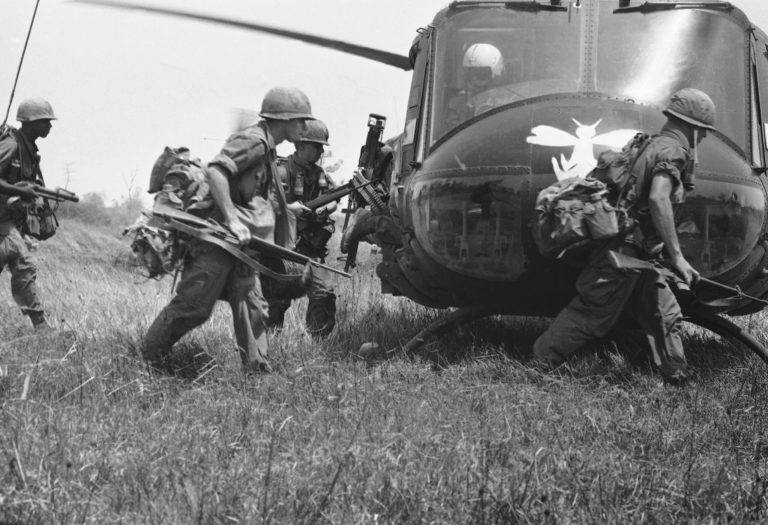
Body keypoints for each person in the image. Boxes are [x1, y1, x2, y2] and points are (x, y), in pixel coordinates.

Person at [532, 88, 716, 385]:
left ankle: (677, 375)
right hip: (623, 253)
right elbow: (658, 198)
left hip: (638, 252)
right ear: (693, 128)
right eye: (704, 130)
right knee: (592, 312)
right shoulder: (673, 151)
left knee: (664, 312)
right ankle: (539, 364)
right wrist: (678, 257)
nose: (705, 136)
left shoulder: (650, 144)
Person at [142, 86, 313, 375]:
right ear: (284, 118)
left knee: (253, 307)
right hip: (217, 243)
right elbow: (217, 171)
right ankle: (148, 360)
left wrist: (285, 210)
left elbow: (251, 195)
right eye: (301, 120)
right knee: (194, 307)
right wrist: (233, 219)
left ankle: (257, 374)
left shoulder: (268, 147)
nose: (305, 128)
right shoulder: (254, 141)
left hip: (240, 246)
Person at [261, 119, 338, 338]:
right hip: (283, 248)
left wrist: (325, 208)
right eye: (317, 146)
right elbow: (263, 202)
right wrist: (290, 209)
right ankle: (270, 341)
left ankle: (318, 342)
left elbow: (333, 198)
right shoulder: (280, 171)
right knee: (277, 297)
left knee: (324, 293)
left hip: (311, 247)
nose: (321, 151)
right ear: (301, 145)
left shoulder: (320, 174)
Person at [0, 97, 57, 330]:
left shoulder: (28, 150)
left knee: (21, 262)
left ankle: (40, 326)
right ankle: (41, 326)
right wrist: (19, 190)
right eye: (45, 121)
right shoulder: (11, 146)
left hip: (6, 219)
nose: (50, 126)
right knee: (23, 261)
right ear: (31, 122)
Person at [445, 43, 505, 129]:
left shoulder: (506, 104)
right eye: (472, 72)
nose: (475, 78)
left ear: (495, 74)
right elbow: (451, 131)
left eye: (483, 73)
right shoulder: (457, 104)